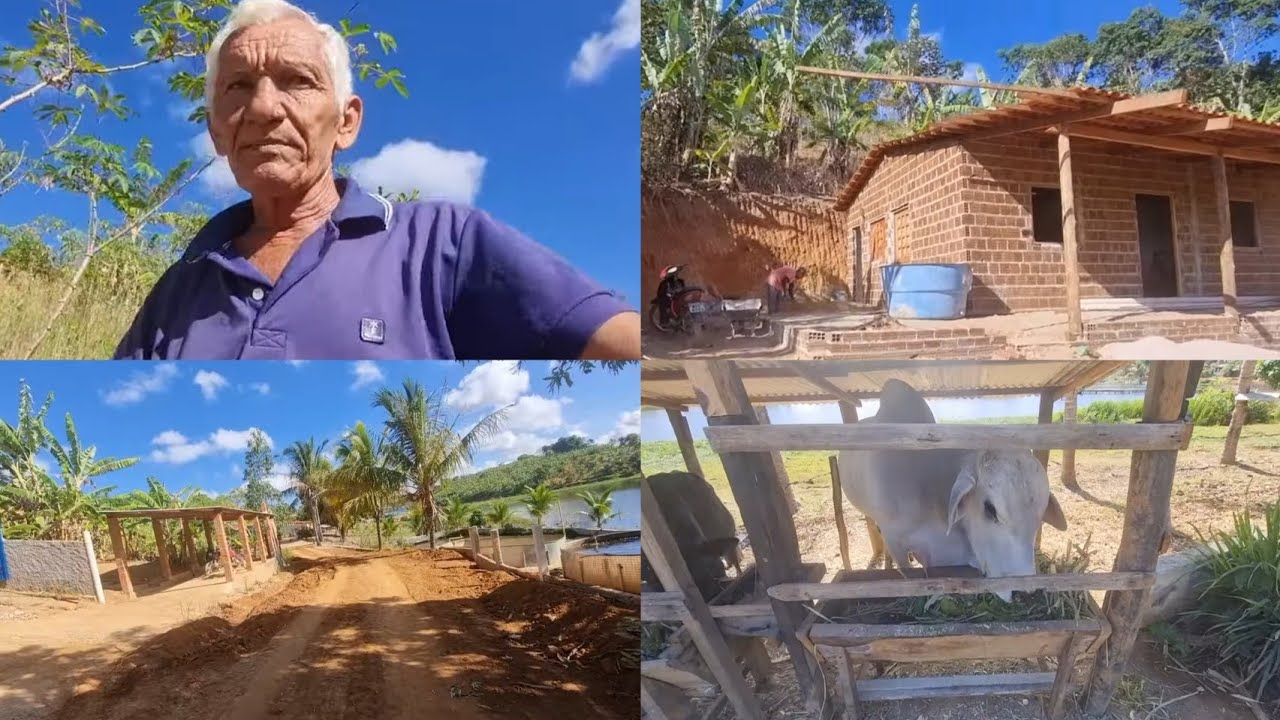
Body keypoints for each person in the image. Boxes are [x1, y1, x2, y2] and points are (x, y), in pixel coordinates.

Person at [114, 0, 638, 360]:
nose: (262, 108)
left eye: (297, 81)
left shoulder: (442, 243)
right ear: (216, 130)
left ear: (346, 121)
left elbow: (620, 340)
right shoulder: (181, 285)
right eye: (238, 86)